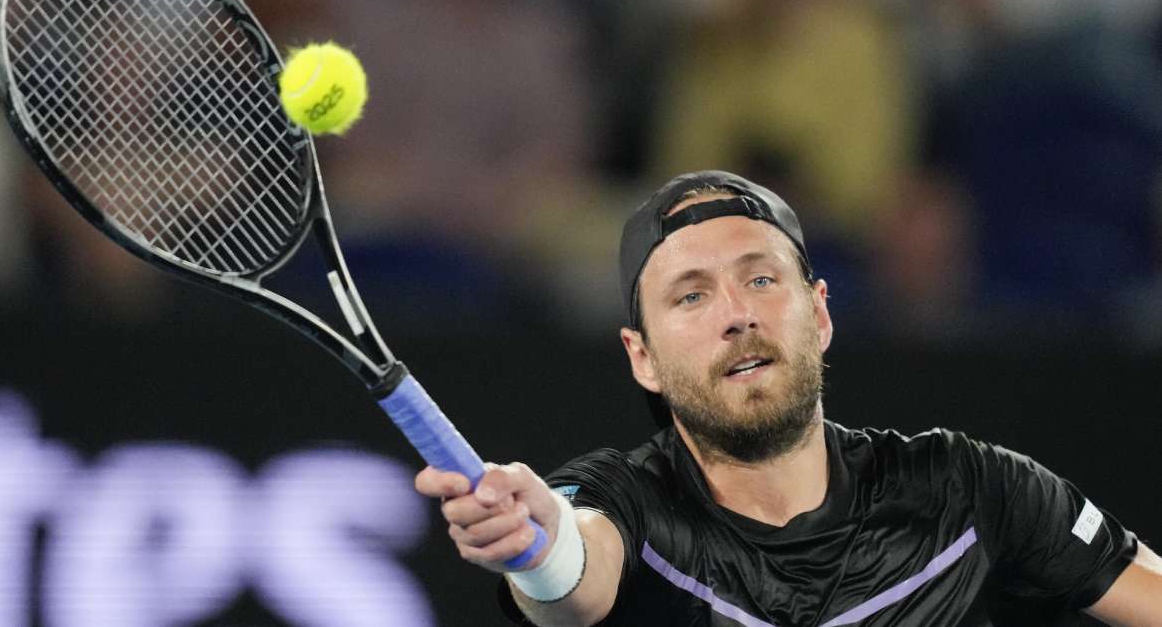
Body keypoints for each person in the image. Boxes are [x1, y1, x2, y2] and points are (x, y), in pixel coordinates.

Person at [414, 170, 1162, 626]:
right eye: (691, 296)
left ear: (822, 313)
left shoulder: (971, 489)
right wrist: (537, 545)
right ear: (641, 358)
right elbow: (576, 575)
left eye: (762, 278)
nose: (737, 312)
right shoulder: (627, 507)